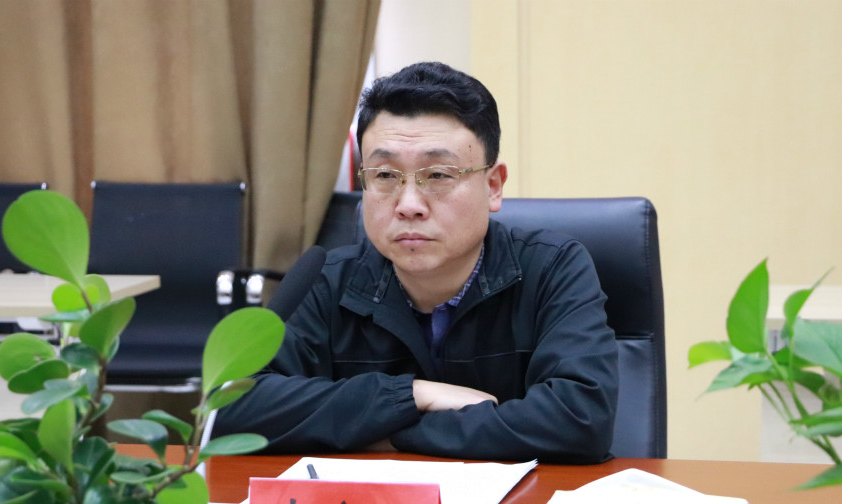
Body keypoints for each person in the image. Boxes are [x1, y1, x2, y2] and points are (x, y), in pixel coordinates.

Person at [214, 62, 618, 463]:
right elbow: (230, 410)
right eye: (385, 175)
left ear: (493, 186)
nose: (408, 205)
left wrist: (390, 435)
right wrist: (411, 395)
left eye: (438, 175)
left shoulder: (552, 269)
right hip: (371, 503)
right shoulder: (328, 281)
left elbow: (580, 420)